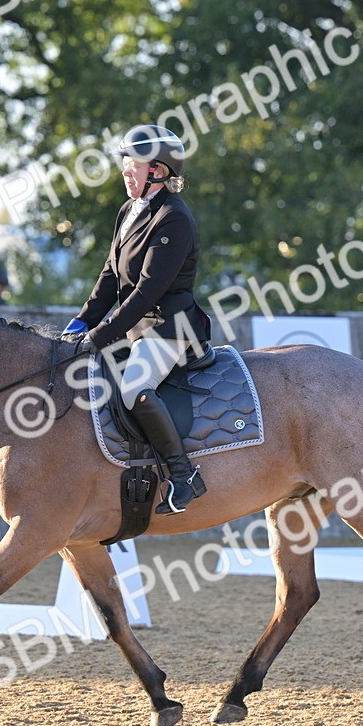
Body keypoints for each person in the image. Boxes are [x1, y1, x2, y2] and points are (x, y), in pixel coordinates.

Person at [63, 125, 212, 514]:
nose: (125, 171)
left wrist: (99, 336)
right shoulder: (129, 211)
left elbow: (147, 291)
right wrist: (80, 323)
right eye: (125, 164)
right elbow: (111, 276)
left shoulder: (174, 219)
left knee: (134, 389)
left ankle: (184, 477)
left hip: (169, 328)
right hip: (135, 328)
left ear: (159, 171)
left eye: (134, 165)